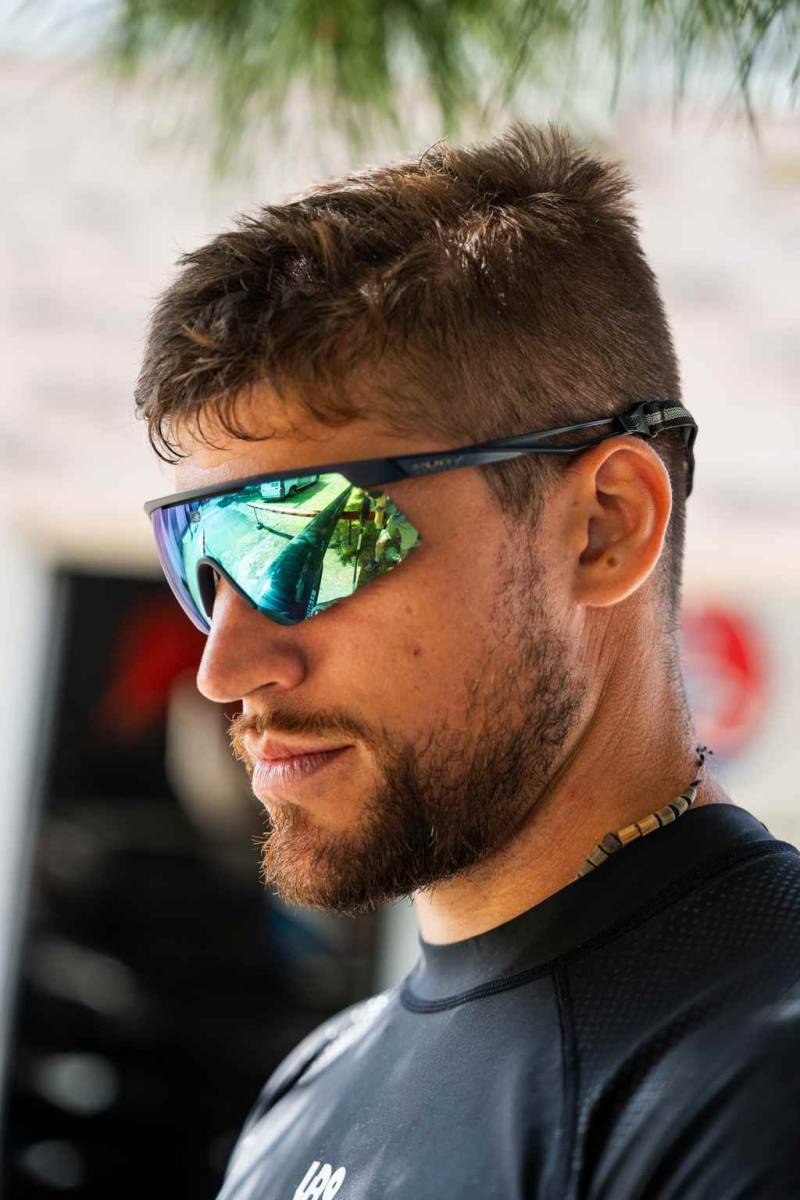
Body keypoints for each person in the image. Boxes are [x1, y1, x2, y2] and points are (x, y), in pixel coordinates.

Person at [135, 122, 800, 1198]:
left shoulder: (760, 1076)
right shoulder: (309, 1090)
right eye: (198, 556)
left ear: (604, 527)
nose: (224, 666)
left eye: (305, 539)